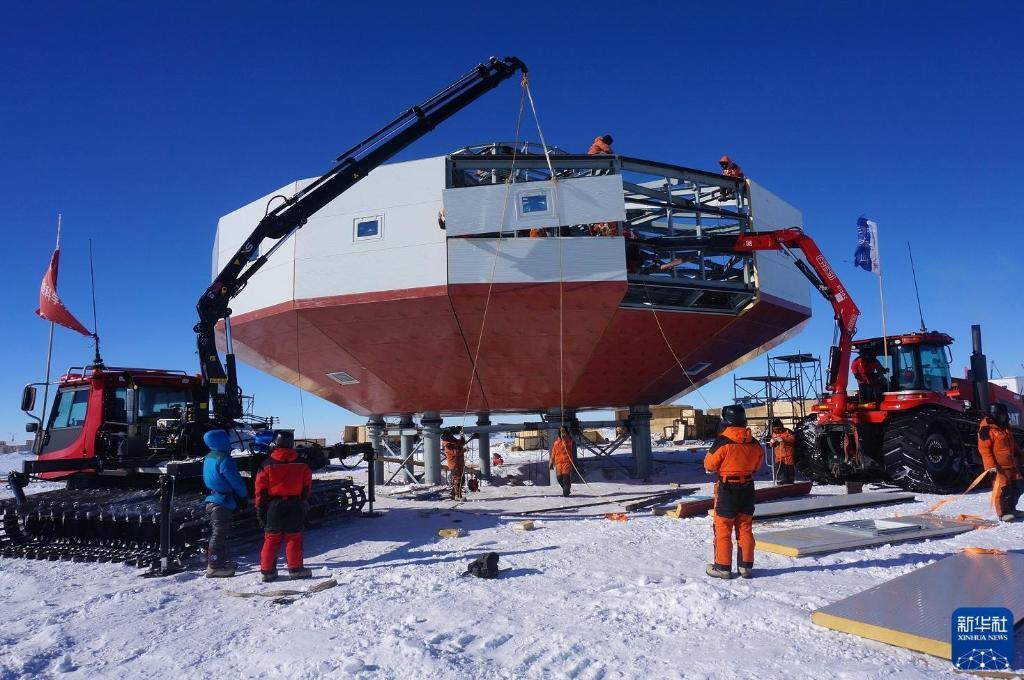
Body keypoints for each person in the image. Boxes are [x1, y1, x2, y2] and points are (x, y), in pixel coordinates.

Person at [703, 405, 763, 580]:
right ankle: (745, 567)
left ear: (725, 421)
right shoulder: (754, 442)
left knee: (723, 528)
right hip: (747, 488)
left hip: (727, 490)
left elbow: (708, 465)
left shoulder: (722, 442)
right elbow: (758, 465)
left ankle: (723, 568)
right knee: (745, 527)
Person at [255, 431, 313, 582]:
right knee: (293, 538)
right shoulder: (302, 463)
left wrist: (260, 509)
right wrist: (302, 500)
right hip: (294, 504)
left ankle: (267, 572)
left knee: (271, 539)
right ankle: (295, 570)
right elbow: (307, 486)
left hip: (274, 506)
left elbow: (260, 490)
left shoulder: (266, 465)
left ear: (275, 443)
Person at [202, 429, 249, 578]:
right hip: (222, 502)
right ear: (222, 440)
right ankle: (214, 567)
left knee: (219, 533)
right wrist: (244, 496)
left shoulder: (209, 457)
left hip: (213, 498)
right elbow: (236, 481)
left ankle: (220, 563)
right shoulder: (225, 459)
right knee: (219, 534)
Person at [978, 404, 1024, 522]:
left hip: (1011, 465)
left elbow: (1012, 444)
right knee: (1003, 490)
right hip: (999, 468)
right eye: (1002, 415)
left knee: (1018, 486)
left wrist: (1020, 454)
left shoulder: (1005, 427)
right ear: (995, 415)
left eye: (1005, 415)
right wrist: (990, 466)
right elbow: (984, 450)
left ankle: (1012, 509)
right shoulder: (986, 429)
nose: (1004, 417)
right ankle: (1003, 513)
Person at [442, 428, 476, 501]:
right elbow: (456, 452)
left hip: (459, 464)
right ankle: (458, 495)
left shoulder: (453, 441)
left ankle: (453, 494)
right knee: (458, 480)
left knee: (460, 479)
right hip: (455, 464)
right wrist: (463, 450)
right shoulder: (448, 444)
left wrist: (462, 435)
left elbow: (461, 442)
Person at [769, 418, 796, 484]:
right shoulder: (773, 434)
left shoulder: (787, 431)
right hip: (779, 456)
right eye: (775, 429)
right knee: (779, 469)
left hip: (788, 454)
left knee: (789, 468)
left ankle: (790, 481)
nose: (777, 430)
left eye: (778, 429)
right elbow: (771, 445)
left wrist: (783, 439)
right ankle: (780, 481)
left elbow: (793, 439)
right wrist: (772, 442)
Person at [550, 427, 576, 497]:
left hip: (566, 462)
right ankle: (566, 488)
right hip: (558, 463)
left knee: (565, 479)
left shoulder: (568, 441)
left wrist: (565, 438)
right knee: (559, 479)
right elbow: (553, 453)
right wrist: (551, 462)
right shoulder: (556, 443)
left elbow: (569, 443)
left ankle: (566, 492)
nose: (562, 433)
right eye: (561, 432)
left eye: (564, 431)